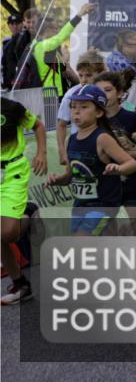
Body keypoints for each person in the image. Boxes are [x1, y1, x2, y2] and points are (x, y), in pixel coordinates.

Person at [46, 85, 136, 235]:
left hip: (103, 205)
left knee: (80, 242)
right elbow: (70, 175)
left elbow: (132, 163)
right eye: (73, 106)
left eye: (83, 107)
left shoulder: (102, 138)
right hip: (80, 205)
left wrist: (118, 169)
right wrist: (58, 180)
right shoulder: (70, 140)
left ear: (99, 112)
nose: (76, 111)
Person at [0, 98, 48, 305]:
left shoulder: (11, 108)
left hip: (13, 172)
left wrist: (41, 152)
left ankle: (28, 210)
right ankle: (20, 284)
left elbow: (37, 125)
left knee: (8, 233)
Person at [93, 70, 136, 205]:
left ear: (120, 93)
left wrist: (130, 147)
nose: (103, 94)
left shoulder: (132, 117)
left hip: (130, 185)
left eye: (108, 90)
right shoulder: (93, 121)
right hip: (104, 186)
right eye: (98, 91)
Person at [25, 3, 98, 96]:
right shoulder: (45, 46)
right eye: (55, 29)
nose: (57, 32)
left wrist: (65, 59)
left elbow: (58, 70)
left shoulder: (36, 45)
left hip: (50, 93)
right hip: (50, 95)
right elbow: (62, 36)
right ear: (47, 30)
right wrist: (79, 15)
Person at [56, 50, 106, 168]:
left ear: (100, 73)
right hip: (78, 149)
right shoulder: (71, 94)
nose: (83, 79)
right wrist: (62, 151)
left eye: (89, 75)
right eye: (80, 75)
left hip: (103, 147)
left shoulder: (107, 92)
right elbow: (61, 124)